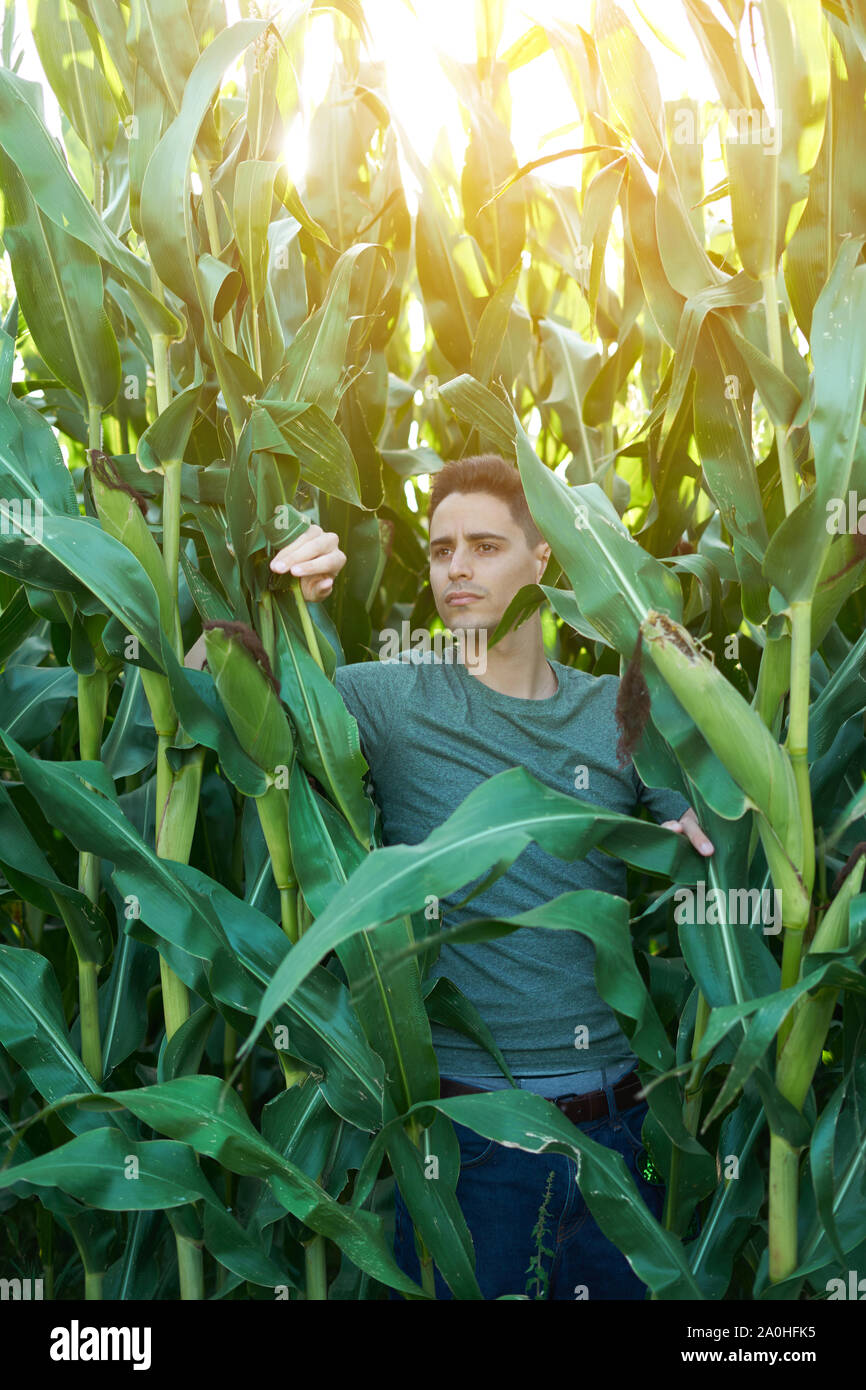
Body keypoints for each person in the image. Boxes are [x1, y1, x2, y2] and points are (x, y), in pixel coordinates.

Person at [264, 453, 714, 1299]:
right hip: (473, 1150)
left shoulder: (618, 709)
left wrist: (687, 817)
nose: (456, 567)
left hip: (619, 1135)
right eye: (439, 551)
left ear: (543, 559)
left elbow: (704, 812)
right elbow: (223, 692)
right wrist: (283, 584)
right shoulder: (385, 700)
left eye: (484, 545)